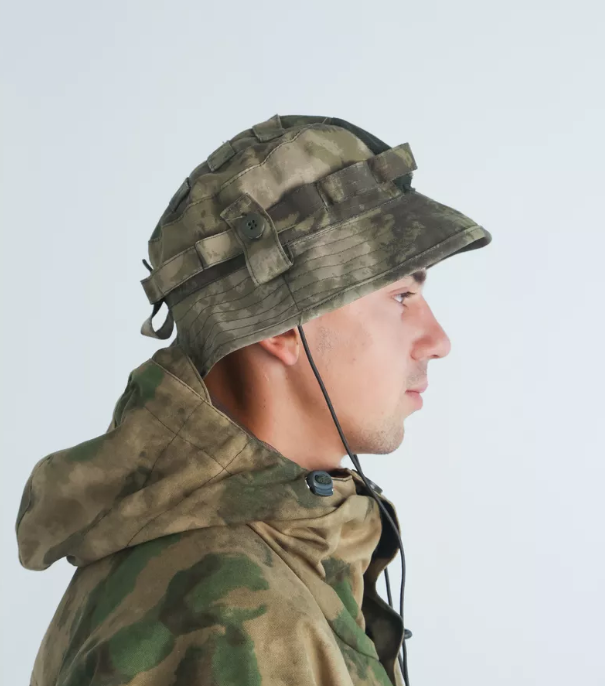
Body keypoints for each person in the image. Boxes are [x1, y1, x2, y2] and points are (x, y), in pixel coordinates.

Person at [15, 113, 492, 686]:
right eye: (400, 296)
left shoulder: (258, 544)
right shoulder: (231, 619)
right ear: (284, 325)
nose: (438, 341)